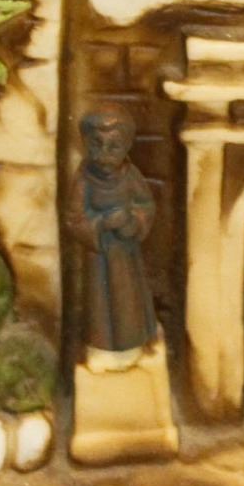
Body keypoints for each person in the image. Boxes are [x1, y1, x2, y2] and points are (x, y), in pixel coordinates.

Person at [69, 105, 159, 371]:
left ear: (126, 146)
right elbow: (73, 218)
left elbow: (146, 206)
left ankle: (131, 347)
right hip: (98, 259)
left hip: (125, 253)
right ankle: (101, 349)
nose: (104, 154)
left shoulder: (131, 176)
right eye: (96, 145)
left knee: (128, 298)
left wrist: (132, 222)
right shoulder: (84, 179)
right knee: (100, 304)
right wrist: (101, 223)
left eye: (114, 146)